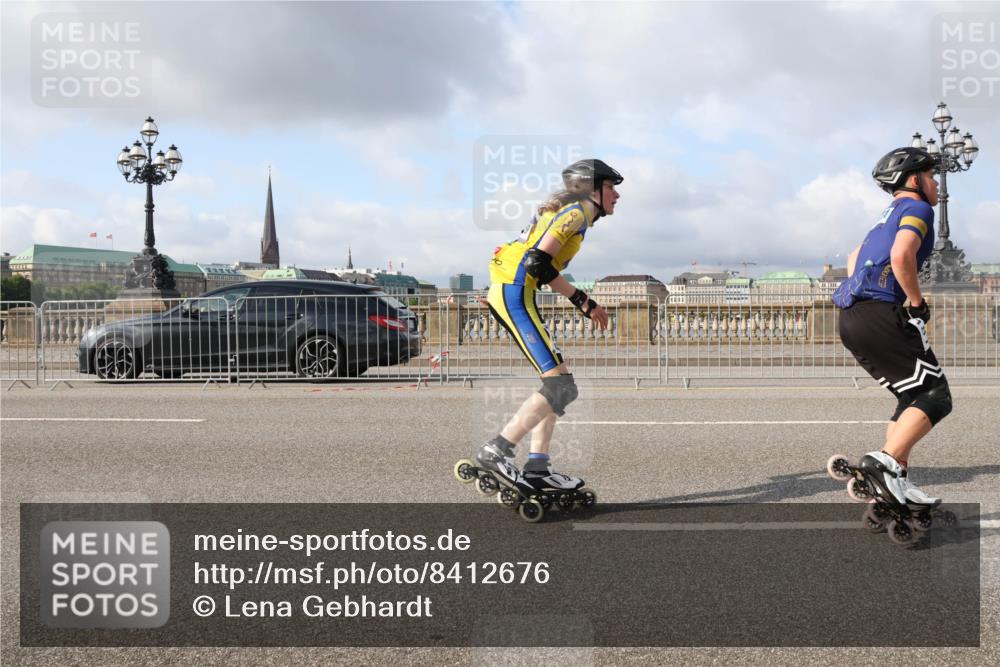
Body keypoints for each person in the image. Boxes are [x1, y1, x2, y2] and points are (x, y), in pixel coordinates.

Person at [475, 159, 622, 497]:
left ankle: (538, 468)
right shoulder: (578, 211)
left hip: (512, 289)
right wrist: (584, 301)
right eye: (611, 187)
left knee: (556, 386)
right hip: (514, 291)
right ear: (592, 188)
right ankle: (496, 450)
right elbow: (537, 262)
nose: (616, 195)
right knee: (561, 387)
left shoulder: (577, 211)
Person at [833, 146, 950, 508]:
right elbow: (902, 255)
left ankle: (895, 478)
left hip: (852, 316)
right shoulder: (918, 208)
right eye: (931, 176)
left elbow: (854, 258)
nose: (935, 184)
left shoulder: (884, 217)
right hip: (880, 315)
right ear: (914, 179)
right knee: (935, 396)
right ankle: (884, 462)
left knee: (909, 396)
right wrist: (915, 302)